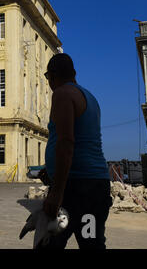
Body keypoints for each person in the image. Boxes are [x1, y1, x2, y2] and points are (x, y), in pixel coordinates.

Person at [41, 53, 112, 249]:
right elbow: (83, 142)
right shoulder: (90, 97)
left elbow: (66, 143)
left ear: (52, 76)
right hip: (96, 189)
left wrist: (56, 192)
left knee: (48, 242)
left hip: (75, 189)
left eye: (48, 79)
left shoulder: (62, 93)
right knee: (91, 244)